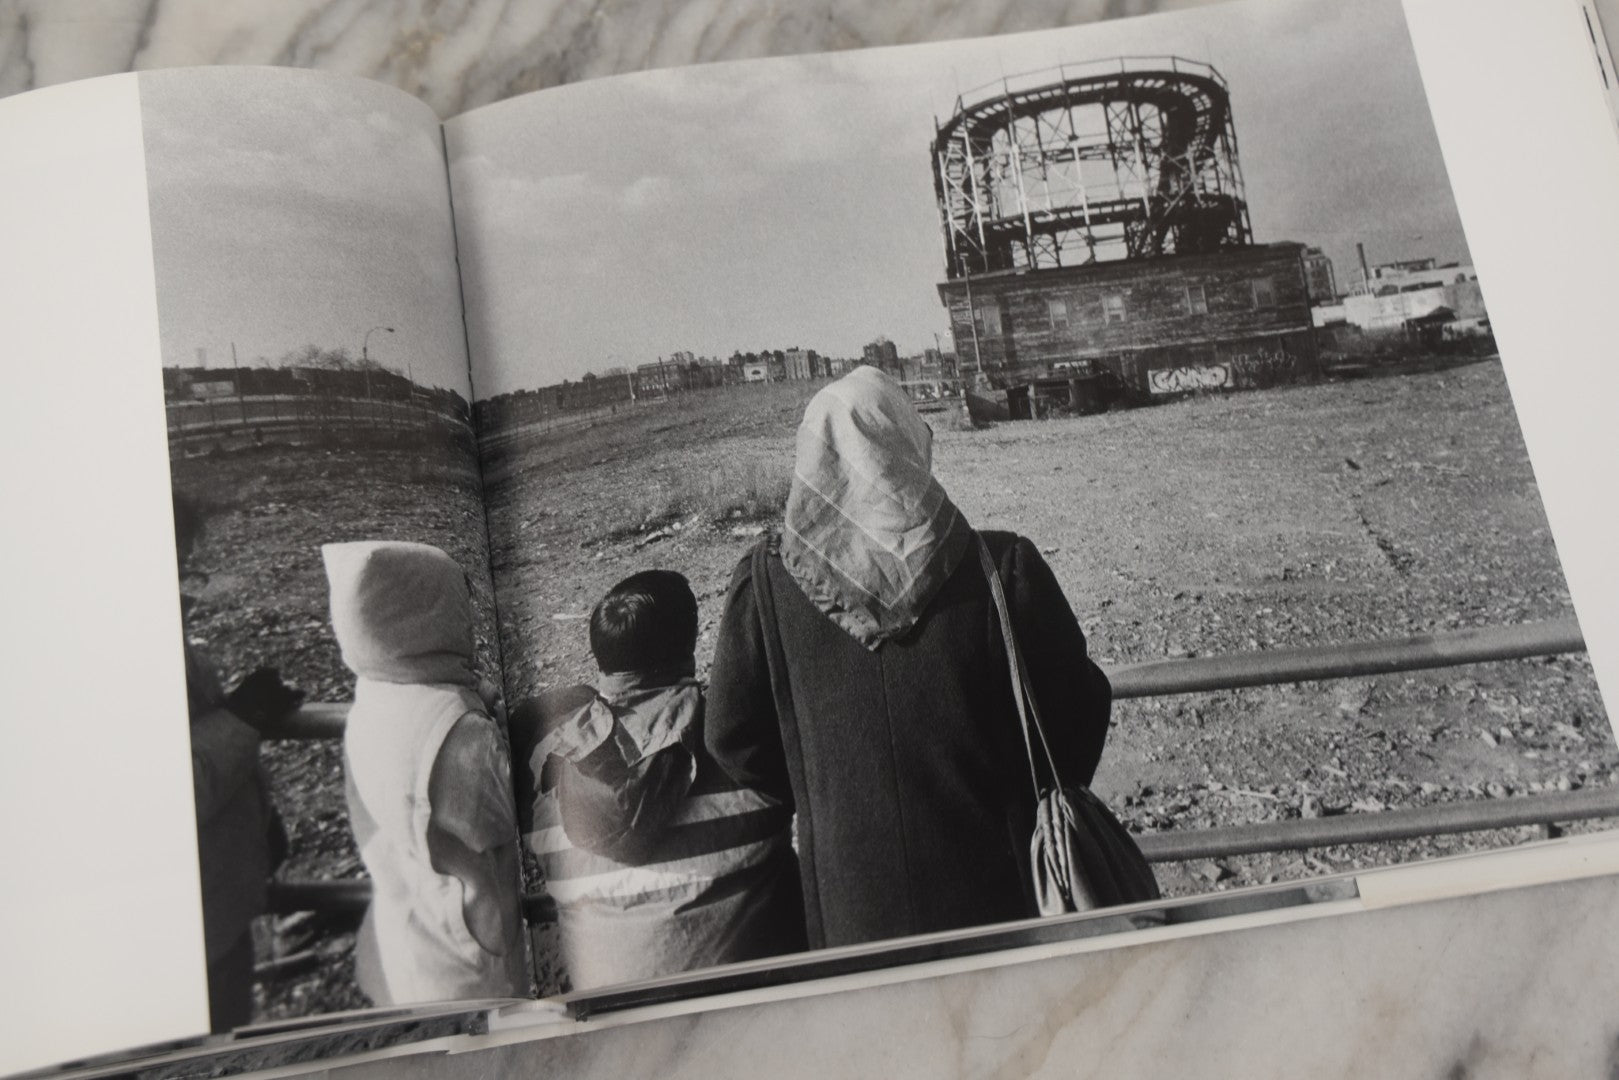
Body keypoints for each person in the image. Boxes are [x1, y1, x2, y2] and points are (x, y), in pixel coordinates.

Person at [705, 367, 1113, 950]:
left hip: (849, 909)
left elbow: (733, 739)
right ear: (912, 441)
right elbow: (1078, 714)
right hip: (1001, 895)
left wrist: (824, 786)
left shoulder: (768, 586)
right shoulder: (1003, 567)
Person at [522, 570, 804, 990]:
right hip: (753, 1017)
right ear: (689, 647)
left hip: (622, 1032)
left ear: (602, 656)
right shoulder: (752, 762)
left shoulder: (546, 784)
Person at [322, 540, 528, 1004]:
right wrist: (492, 722)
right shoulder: (456, 731)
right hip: (471, 955)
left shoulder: (374, 698)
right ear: (429, 614)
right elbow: (503, 816)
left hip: (408, 937)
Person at [173, 493, 301, 1032]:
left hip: (209, 916)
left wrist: (259, 827)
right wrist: (243, 715)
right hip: (185, 942)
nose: (186, 597)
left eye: (183, 571)